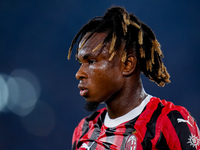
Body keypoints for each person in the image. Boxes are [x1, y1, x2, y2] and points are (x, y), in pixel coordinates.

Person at [68, 6, 200, 150]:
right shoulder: (84, 129)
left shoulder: (170, 122)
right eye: (81, 63)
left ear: (127, 65)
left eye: (92, 61)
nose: (79, 73)